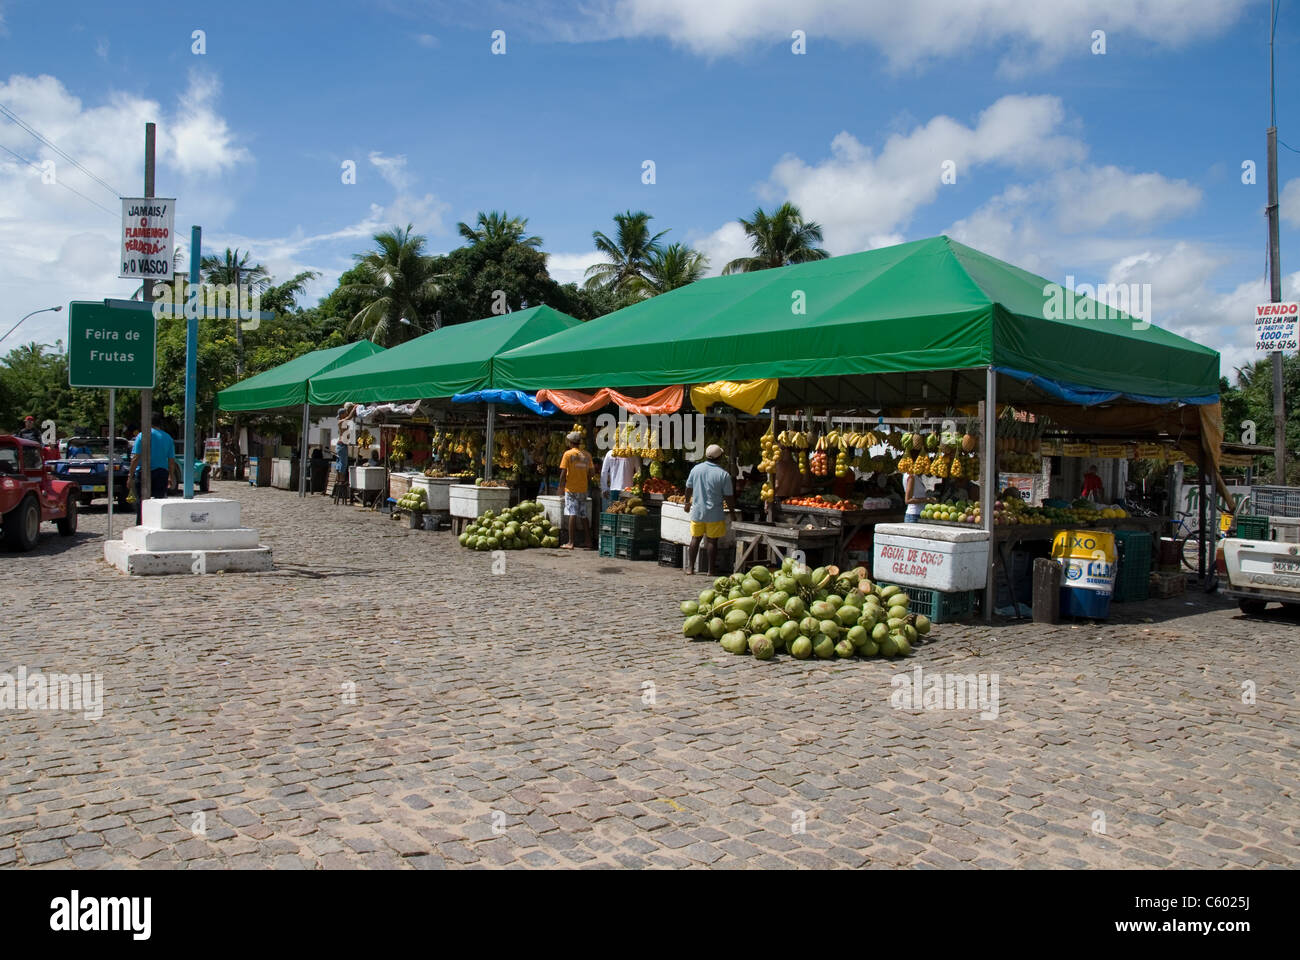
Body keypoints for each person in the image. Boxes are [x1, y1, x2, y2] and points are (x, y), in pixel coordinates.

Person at [685, 444, 737, 575]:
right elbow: (729, 497)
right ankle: (711, 570)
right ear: (719, 458)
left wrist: (687, 502)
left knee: (695, 538)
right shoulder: (723, 474)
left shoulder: (696, 469)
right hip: (715, 513)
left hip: (697, 511)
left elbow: (688, 488)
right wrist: (732, 513)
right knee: (712, 541)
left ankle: (690, 568)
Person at [129, 411, 180, 523]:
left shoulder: (142, 435)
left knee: (141, 503)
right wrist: (171, 476)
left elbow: (136, 457)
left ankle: (141, 524)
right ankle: (156, 524)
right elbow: (171, 460)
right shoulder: (168, 438)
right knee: (158, 502)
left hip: (143, 473)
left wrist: (130, 475)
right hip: (161, 473)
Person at [558, 431, 594, 550]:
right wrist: (585, 479)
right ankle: (588, 541)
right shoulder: (587, 455)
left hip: (571, 489)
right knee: (583, 514)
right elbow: (592, 473)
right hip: (583, 489)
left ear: (570, 442)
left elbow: (563, 473)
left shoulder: (568, 454)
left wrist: (560, 487)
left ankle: (570, 542)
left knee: (572, 513)